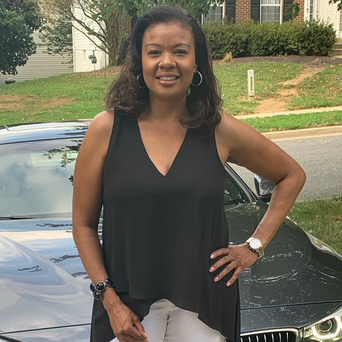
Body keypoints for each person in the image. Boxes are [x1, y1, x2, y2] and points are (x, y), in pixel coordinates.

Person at [72, 5, 306, 342]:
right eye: (155, 52)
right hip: (128, 310)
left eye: (180, 51)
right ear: (139, 61)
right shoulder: (107, 129)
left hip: (205, 308)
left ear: (195, 62)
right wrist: (109, 300)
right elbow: (82, 225)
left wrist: (254, 245)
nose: (167, 62)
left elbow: (290, 175)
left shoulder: (218, 129)